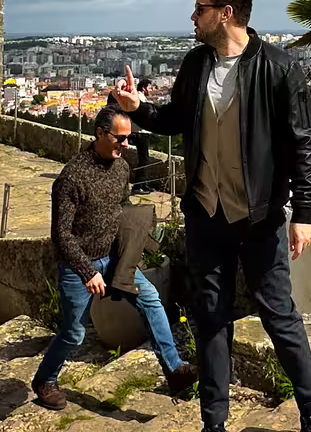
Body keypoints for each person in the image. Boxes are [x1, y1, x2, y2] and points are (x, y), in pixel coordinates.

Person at [112, 0, 311, 432]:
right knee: (210, 321)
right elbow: (176, 120)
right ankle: (213, 429)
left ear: (226, 13)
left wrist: (303, 213)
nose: (193, 17)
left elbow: (303, 145)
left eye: (200, 9)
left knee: (280, 318)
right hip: (206, 216)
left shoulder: (278, 68)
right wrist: (139, 110)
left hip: (259, 218)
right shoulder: (196, 64)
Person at [32, 107, 198, 410]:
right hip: (79, 266)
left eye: (128, 138)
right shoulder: (71, 178)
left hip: (114, 259)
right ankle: (45, 380)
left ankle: (174, 369)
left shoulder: (122, 168)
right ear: (100, 133)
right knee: (74, 333)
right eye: (120, 138)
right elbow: (61, 235)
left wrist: (133, 246)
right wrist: (87, 272)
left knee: (151, 301)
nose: (126, 144)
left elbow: (120, 208)